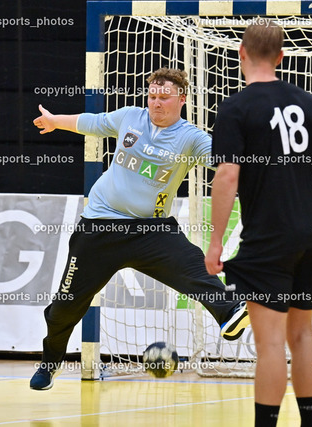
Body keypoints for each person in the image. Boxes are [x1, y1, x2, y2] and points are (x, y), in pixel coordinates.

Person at [29, 67, 250, 390]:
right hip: (100, 227)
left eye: (164, 97)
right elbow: (93, 122)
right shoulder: (130, 117)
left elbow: (225, 161)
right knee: (64, 307)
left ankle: (229, 312)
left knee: (191, 262)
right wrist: (54, 120)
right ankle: (50, 363)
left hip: (151, 231)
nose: (156, 103)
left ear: (182, 99)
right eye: (152, 96)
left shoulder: (191, 138)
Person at [204, 20, 312, 427]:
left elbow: (227, 175)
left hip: (268, 238)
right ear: (280, 56)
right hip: (311, 234)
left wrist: (216, 240)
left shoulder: (236, 107)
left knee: (271, 343)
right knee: (302, 335)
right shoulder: (309, 103)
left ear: (241, 53)